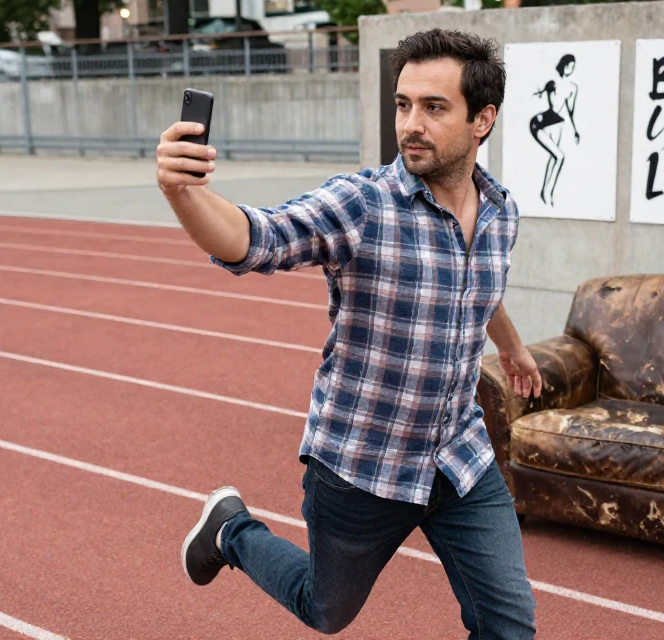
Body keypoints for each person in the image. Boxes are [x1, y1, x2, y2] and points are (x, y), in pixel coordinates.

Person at [156, 28, 543, 639]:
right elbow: (255, 238)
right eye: (403, 104)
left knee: (509, 624)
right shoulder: (362, 205)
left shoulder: (501, 212)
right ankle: (231, 529)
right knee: (326, 610)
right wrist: (183, 192)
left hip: (458, 457)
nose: (411, 123)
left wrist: (512, 346)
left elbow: (478, 287)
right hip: (365, 464)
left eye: (434, 107)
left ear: (483, 119)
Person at [529, 53, 580, 206]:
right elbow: (553, 106)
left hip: (557, 123)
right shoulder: (553, 83)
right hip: (542, 122)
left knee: (554, 157)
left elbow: (570, 111)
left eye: (572, 67)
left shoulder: (573, 87)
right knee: (559, 156)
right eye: (568, 66)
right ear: (563, 65)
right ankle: (546, 192)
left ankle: (547, 191)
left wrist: (575, 130)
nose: (570, 69)